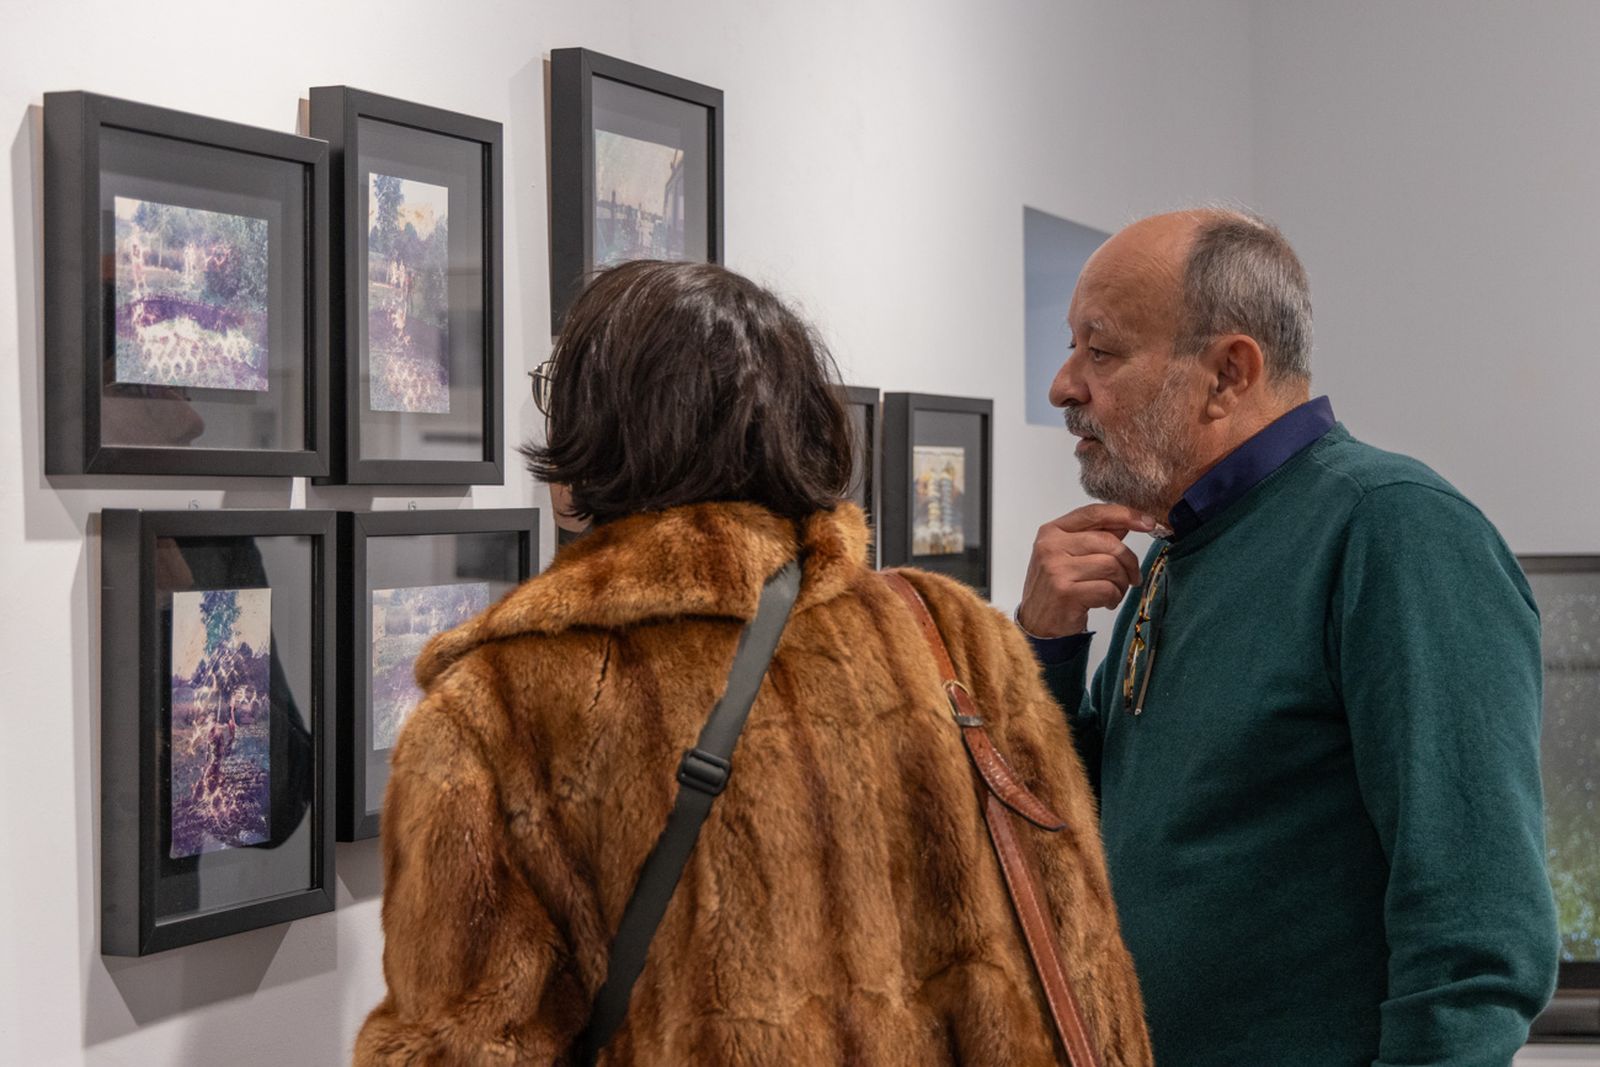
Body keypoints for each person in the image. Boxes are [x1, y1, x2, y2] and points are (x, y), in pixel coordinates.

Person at [355, 260, 1153, 1065]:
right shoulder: (947, 630)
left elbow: (463, 1043)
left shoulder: (494, 714)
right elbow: (1082, 967)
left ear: (595, 430)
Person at [1018, 208, 1559, 1065]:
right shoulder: (1176, 549)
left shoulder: (1394, 530)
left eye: (1101, 349)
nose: (1062, 385)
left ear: (1229, 372)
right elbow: (1075, 823)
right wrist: (1044, 647)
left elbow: (1477, 934)